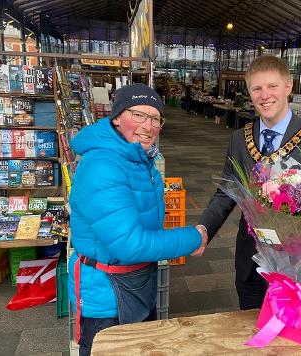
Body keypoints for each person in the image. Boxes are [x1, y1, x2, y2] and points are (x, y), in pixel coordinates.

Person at [67, 83, 207, 356]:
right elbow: (129, 244)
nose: (148, 125)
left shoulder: (139, 158)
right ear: (117, 117)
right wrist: (194, 237)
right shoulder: (102, 165)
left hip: (136, 280)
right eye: (138, 115)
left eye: (155, 118)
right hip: (107, 294)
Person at [199, 55, 301, 310]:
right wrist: (204, 228)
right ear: (249, 92)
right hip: (250, 258)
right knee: (249, 327)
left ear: (288, 87)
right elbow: (226, 191)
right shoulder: (239, 139)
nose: (265, 95)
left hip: (297, 264)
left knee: (291, 339)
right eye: (257, 88)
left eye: (272, 86)